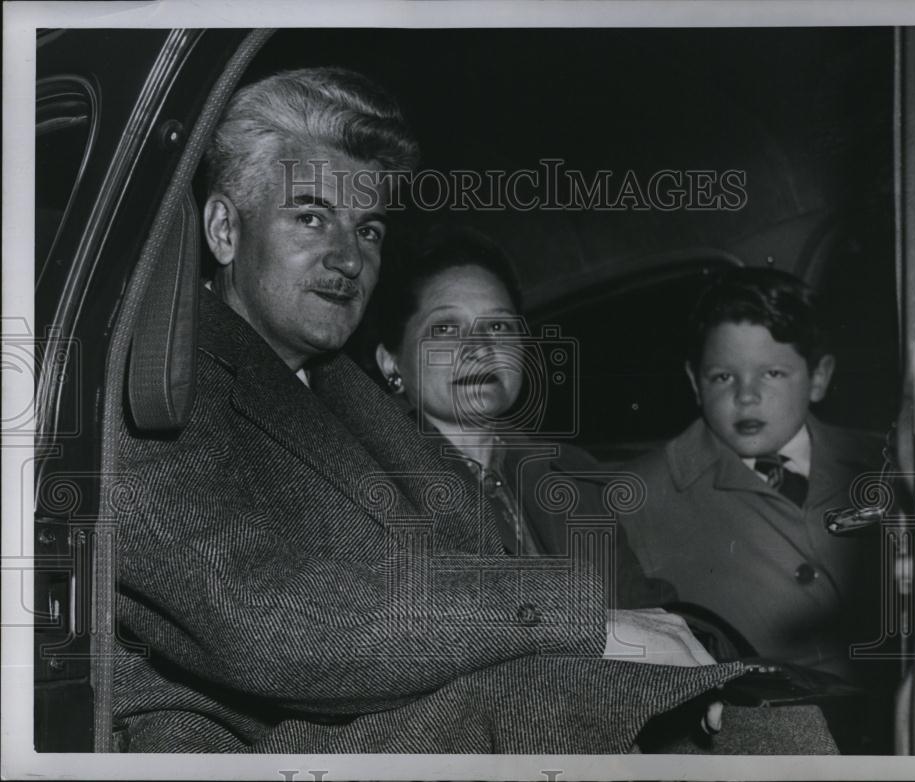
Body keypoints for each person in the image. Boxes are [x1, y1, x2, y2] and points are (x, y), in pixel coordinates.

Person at [111, 66, 751, 754]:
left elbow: (463, 563)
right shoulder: (157, 385)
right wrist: (593, 626)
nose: (347, 257)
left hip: (397, 720)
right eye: (311, 218)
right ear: (223, 230)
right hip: (256, 751)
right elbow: (266, 621)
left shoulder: (336, 392)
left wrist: (635, 654)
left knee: (749, 714)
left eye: (369, 231)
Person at [372, 225, 676, 608]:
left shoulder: (573, 476)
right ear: (391, 363)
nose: (480, 348)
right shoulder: (374, 484)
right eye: (446, 328)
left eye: (498, 326)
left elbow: (646, 611)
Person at [619, 267, 886, 688]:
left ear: (819, 377)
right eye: (723, 377)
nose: (746, 396)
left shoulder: (887, 465)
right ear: (695, 381)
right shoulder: (638, 497)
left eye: (772, 374)